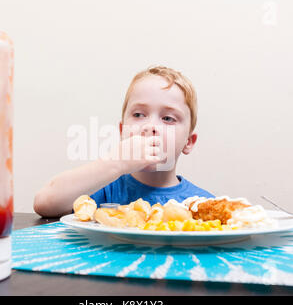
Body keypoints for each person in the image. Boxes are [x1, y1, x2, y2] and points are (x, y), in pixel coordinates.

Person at [34, 66, 214, 217]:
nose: (150, 126)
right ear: (122, 131)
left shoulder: (204, 204)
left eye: (168, 118)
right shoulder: (105, 189)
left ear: (188, 142)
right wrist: (116, 163)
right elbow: (44, 203)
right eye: (138, 115)